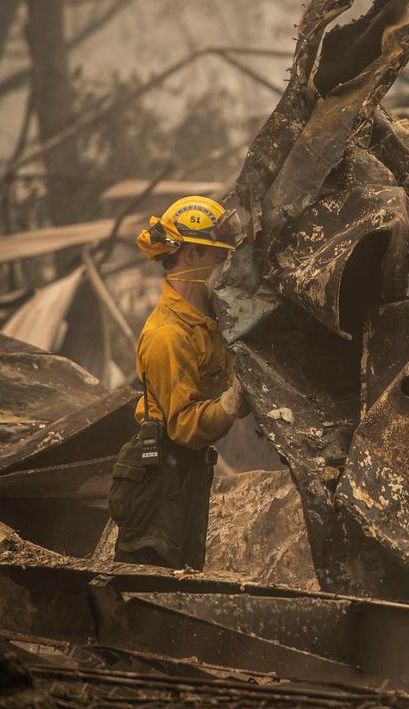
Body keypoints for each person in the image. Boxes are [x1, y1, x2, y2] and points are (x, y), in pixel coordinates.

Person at [108, 195, 246, 569]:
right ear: (189, 257)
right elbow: (184, 424)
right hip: (157, 477)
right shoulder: (168, 334)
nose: (225, 265)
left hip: (188, 471)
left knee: (185, 578)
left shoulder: (206, 321)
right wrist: (231, 403)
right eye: (219, 256)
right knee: (147, 584)